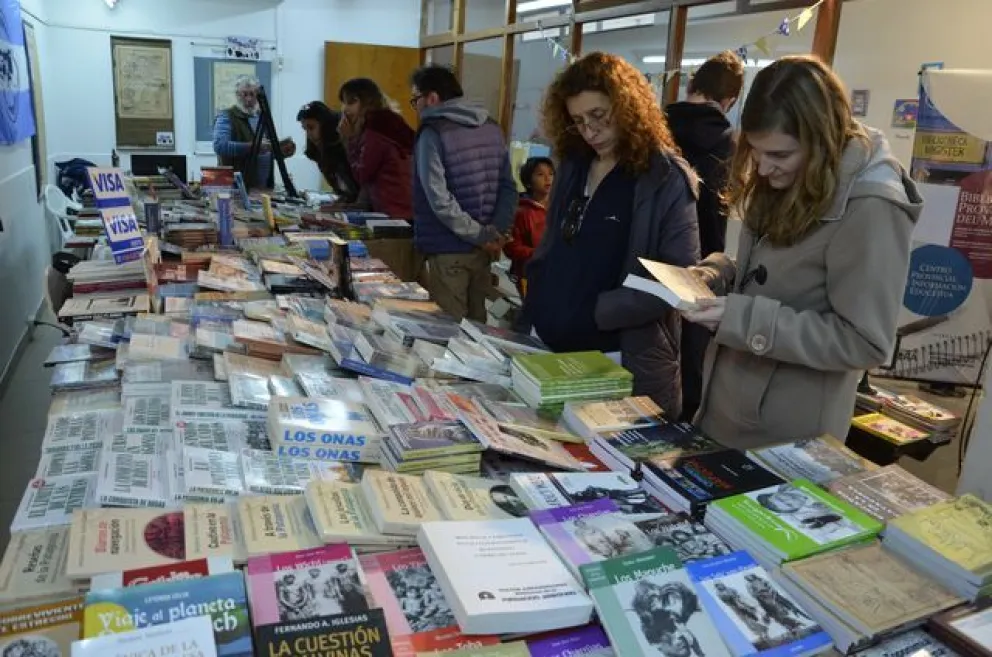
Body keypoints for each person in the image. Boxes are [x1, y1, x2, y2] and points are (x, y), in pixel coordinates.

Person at [684, 55, 921, 449]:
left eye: (780, 156)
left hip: (786, 435)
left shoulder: (872, 205)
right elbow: (778, 274)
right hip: (726, 407)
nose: (762, 169)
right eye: (756, 152)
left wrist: (744, 318)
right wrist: (718, 272)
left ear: (821, 139)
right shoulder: (791, 173)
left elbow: (865, 341)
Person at [520, 52, 700, 417]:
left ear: (627, 106)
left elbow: (679, 278)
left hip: (619, 359)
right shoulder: (574, 165)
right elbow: (553, 245)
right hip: (549, 345)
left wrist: (599, 310)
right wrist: (534, 307)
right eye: (578, 121)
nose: (590, 131)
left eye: (599, 115)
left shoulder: (663, 177)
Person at [665, 51, 745, 422]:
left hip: (652, 255)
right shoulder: (727, 139)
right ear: (730, 99)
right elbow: (719, 209)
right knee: (692, 359)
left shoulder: (658, 127)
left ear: (691, 86)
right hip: (701, 260)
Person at [410, 64, 519, 322]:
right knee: (477, 327)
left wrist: (480, 234)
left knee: (449, 329)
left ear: (432, 98)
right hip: (485, 248)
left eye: (415, 99)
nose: (415, 107)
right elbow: (508, 186)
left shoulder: (433, 132)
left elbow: (439, 199)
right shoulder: (492, 127)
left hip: (449, 247)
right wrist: (495, 232)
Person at [338, 78, 415, 218]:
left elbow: (362, 174)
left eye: (351, 102)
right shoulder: (389, 121)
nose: (345, 109)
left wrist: (350, 141)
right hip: (404, 207)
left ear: (367, 101)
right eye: (344, 103)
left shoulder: (376, 129)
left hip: (397, 211)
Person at [212, 75, 295, 189]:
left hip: (264, 186)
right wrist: (254, 146)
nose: (249, 99)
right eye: (244, 94)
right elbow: (220, 146)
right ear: (237, 95)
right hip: (238, 186)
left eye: (252, 94)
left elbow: (265, 150)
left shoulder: (262, 116)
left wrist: (280, 151)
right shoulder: (226, 116)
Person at [505, 156, 555, 294]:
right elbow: (511, 248)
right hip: (529, 275)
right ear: (528, 182)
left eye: (551, 174)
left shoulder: (558, 207)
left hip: (554, 273)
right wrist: (540, 253)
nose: (548, 178)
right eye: (540, 174)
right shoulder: (520, 212)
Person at [297, 100, 360, 204]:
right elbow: (343, 191)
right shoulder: (319, 151)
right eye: (305, 129)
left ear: (326, 126)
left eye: (311, 127)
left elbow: (360, 190)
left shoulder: (345, 146)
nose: (308, 135)